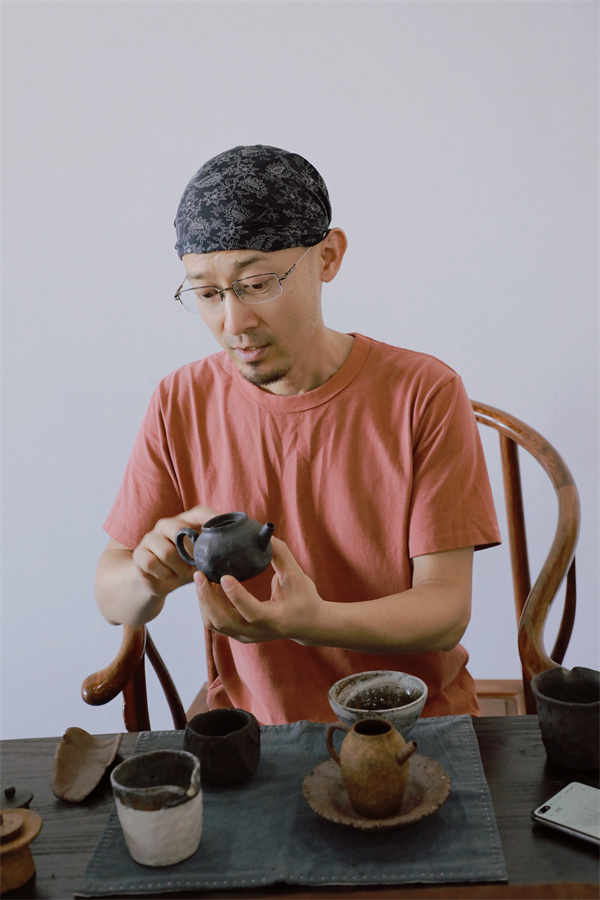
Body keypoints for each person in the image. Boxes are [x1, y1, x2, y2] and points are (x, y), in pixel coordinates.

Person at [95, 144, 501, 725]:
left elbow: (446, 611)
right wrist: (146, 576)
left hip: (416, 722)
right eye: (207, 294)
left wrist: (310, 621)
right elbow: (111, 591)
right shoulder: (180, 401)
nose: (233, 323)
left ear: (328, 257)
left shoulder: (423, 393)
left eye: (257, 283)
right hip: (255, 732)